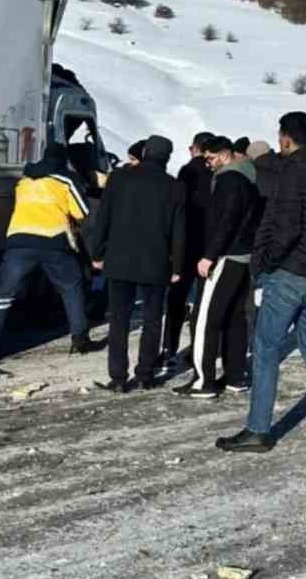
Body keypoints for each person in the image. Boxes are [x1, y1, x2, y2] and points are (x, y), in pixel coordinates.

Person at [216, 112, 306, 453]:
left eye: (280, 136)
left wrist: (264, 263)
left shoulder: (293, 172)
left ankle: (258, 430)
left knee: (265, 348)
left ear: (287, 138)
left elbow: (286, 227)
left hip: (291, 273)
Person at [0, 143, 96, 362]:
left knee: (4, 293)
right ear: (63, 160)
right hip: (53, 241)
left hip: (18, 240)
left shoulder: (24, 180)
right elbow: (81, 211)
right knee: (71, 286)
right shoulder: (65, 179)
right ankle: (80, 339)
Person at [88, 135, 186, 392]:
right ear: (167, 157)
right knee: (153, 320)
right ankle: (145, 374)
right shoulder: (174, 187)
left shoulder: (119, 178)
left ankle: (118, 378)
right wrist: (177, 267)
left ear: (144, 152)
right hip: (156, 263)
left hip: (119, 260)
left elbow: (104, 218)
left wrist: (97, 253)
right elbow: (179, 231)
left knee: (119, 320)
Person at [178, 137, 260, 398]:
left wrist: (209, 255)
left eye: (211, 159)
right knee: (235, 317)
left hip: (225, 255)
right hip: (244, 257)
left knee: (205, 318)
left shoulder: (228, 179)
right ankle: (235, 376)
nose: (208, 164)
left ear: (224, 155)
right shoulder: (249, 176)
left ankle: (204, 381)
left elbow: (226, 221)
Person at [163, 131, 219, 370]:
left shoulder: (187, 172)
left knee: (177, 298)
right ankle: (199, 348)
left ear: (194, 148)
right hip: (209, 245)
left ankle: (169, 347)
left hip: (185, 243)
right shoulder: (217, 173)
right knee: (204, 302)